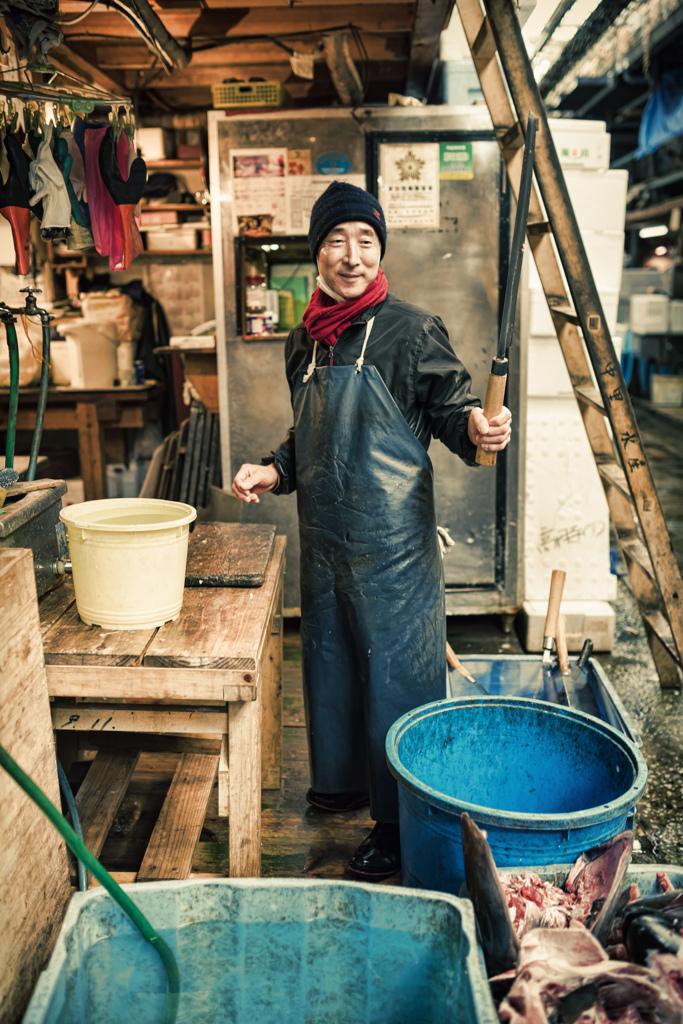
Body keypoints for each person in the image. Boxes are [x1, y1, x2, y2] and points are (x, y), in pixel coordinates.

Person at [232, 180, 512, 881]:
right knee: (327, 666)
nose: (349, 256)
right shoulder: (305, 341)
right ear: (316, 253)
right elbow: (311, 433)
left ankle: (397, 828)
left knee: (396, 680)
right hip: (325, 538)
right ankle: (343, 785)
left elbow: (453, 412)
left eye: (363, 240)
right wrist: (273, 469)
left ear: (379, 249)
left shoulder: (411, 329)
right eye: (334, 241)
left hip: (392, 551)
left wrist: (477, 425)